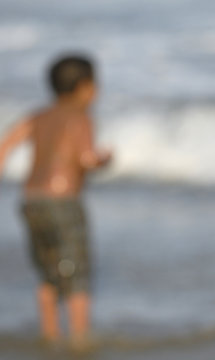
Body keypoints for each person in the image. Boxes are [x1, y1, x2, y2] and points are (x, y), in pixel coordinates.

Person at [0, 55, 111, 349]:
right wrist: (103, 160)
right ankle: (79, 337)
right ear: (85, 87)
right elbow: (86, 158)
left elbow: (7, 142)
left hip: (31, 200)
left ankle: (50, 334)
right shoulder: (81, 117)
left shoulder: (38, 116)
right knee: (76, 270)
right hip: (63, 201)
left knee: (47, 270)